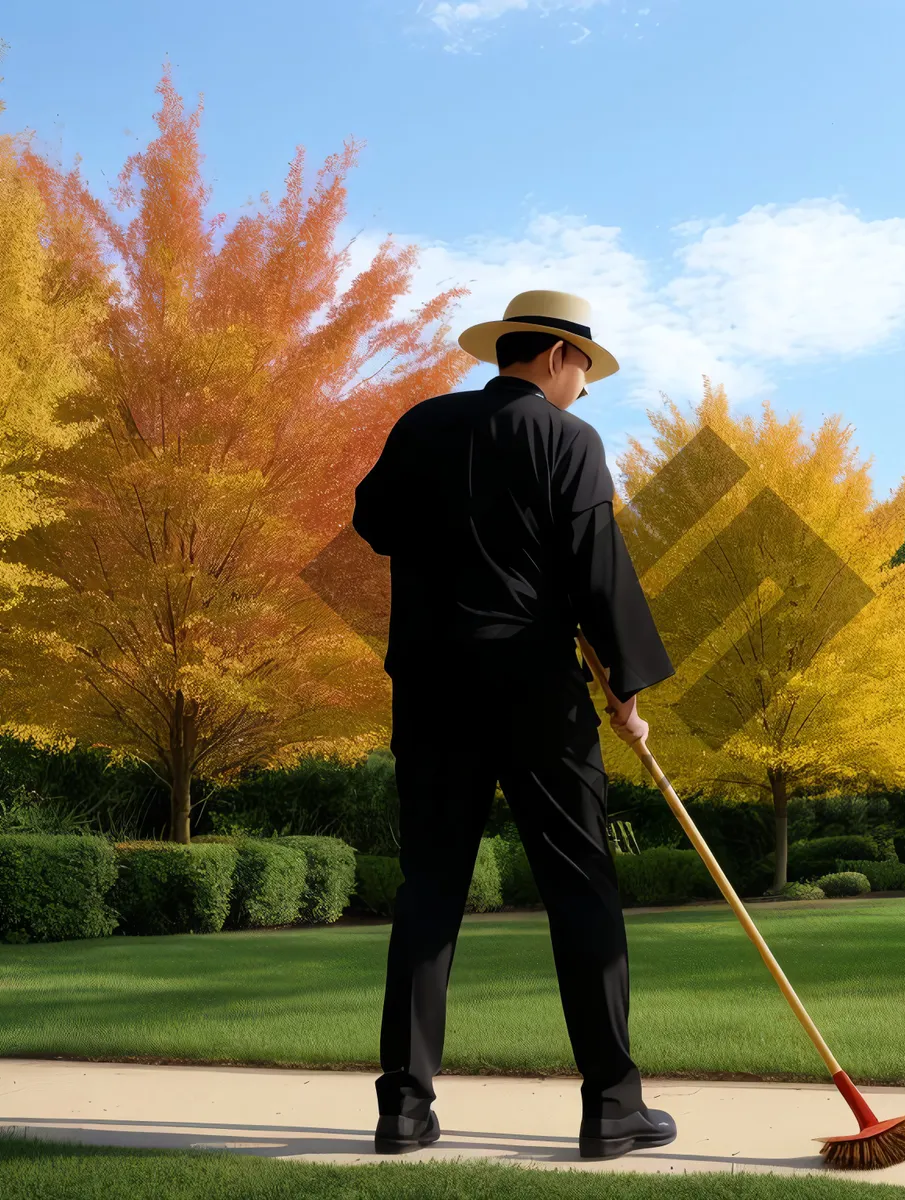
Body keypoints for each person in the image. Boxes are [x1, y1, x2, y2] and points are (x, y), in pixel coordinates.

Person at [351, 289, 678, 1160]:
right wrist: (627, 690)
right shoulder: (568, 440)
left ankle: (404, 1109)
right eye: (585, 369)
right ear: (557, 357)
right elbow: (599, 571)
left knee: (429, 891)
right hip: (536, 687)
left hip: (429, 689)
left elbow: (371, 521)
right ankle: (613, 1106)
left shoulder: (422, 424)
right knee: (580, 889)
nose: (585, 388)